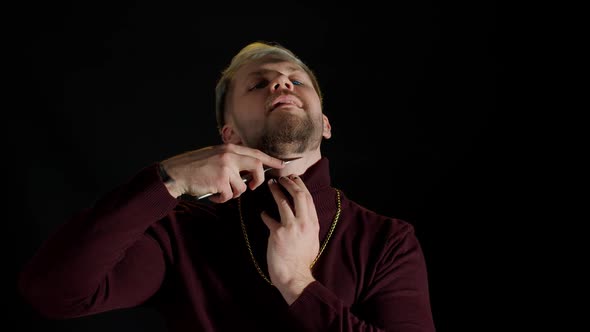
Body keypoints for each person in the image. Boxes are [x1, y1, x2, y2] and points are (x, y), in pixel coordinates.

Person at [18, 41, 436, 332]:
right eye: (258, 83)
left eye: (297, 79)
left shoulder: (386, 240)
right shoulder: (183, 231)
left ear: (325, 124)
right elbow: (54, 293)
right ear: (230, 134)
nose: (283, 83)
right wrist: (168, 179)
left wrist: (296, 283)